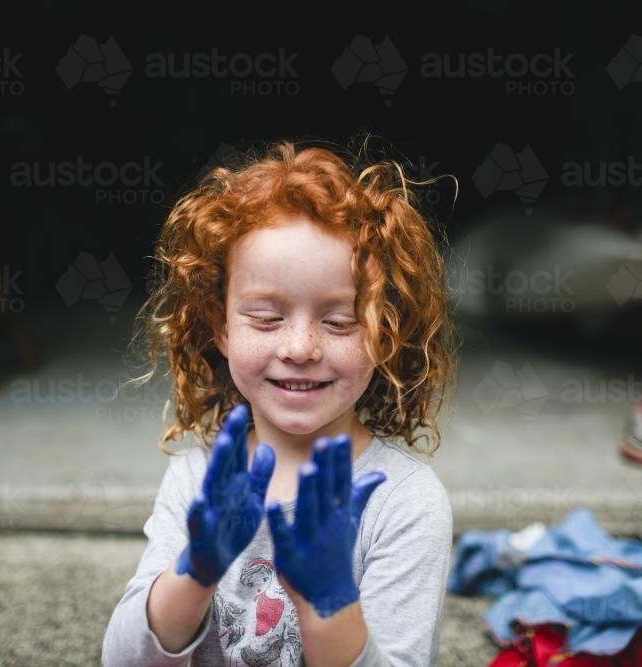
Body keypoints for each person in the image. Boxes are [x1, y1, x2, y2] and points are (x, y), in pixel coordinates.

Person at [102, 138, 457, 666]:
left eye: (339, 322)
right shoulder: (199, 480)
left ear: (387, 335)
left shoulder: (403, 503)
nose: (299, 348)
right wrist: (194, 573)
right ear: (218, 327)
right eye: (266, 318)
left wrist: (330, 603)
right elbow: (123, 661)